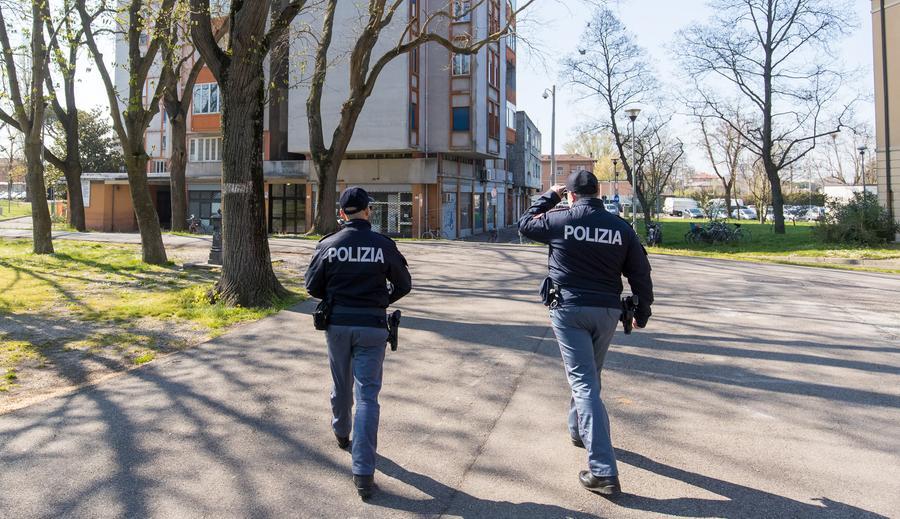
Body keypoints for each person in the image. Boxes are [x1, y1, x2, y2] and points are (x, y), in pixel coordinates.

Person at [518, 170, 654, 497]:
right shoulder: (621, 228)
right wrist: (642, 313)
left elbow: (524, 224)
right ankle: (579, 431)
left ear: (572, 196)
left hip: (569, 310)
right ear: (599, 193)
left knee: (583, 382)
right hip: (607, 311)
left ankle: (604, 472)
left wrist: (550, 195)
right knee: (589, 376)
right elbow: (640, 272)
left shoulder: (561, 219)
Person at [304, 186, 412, 500]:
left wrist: (337, 298)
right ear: (368, 211)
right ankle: (363, 472)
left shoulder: (328, 244)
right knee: (367, 397)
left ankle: (341, 432)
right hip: (373, 327)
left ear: (342, 214)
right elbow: (404, 284)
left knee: (341, 383)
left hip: (337, 324)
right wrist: (381, 301)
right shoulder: (383, 244)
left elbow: (312, 286)